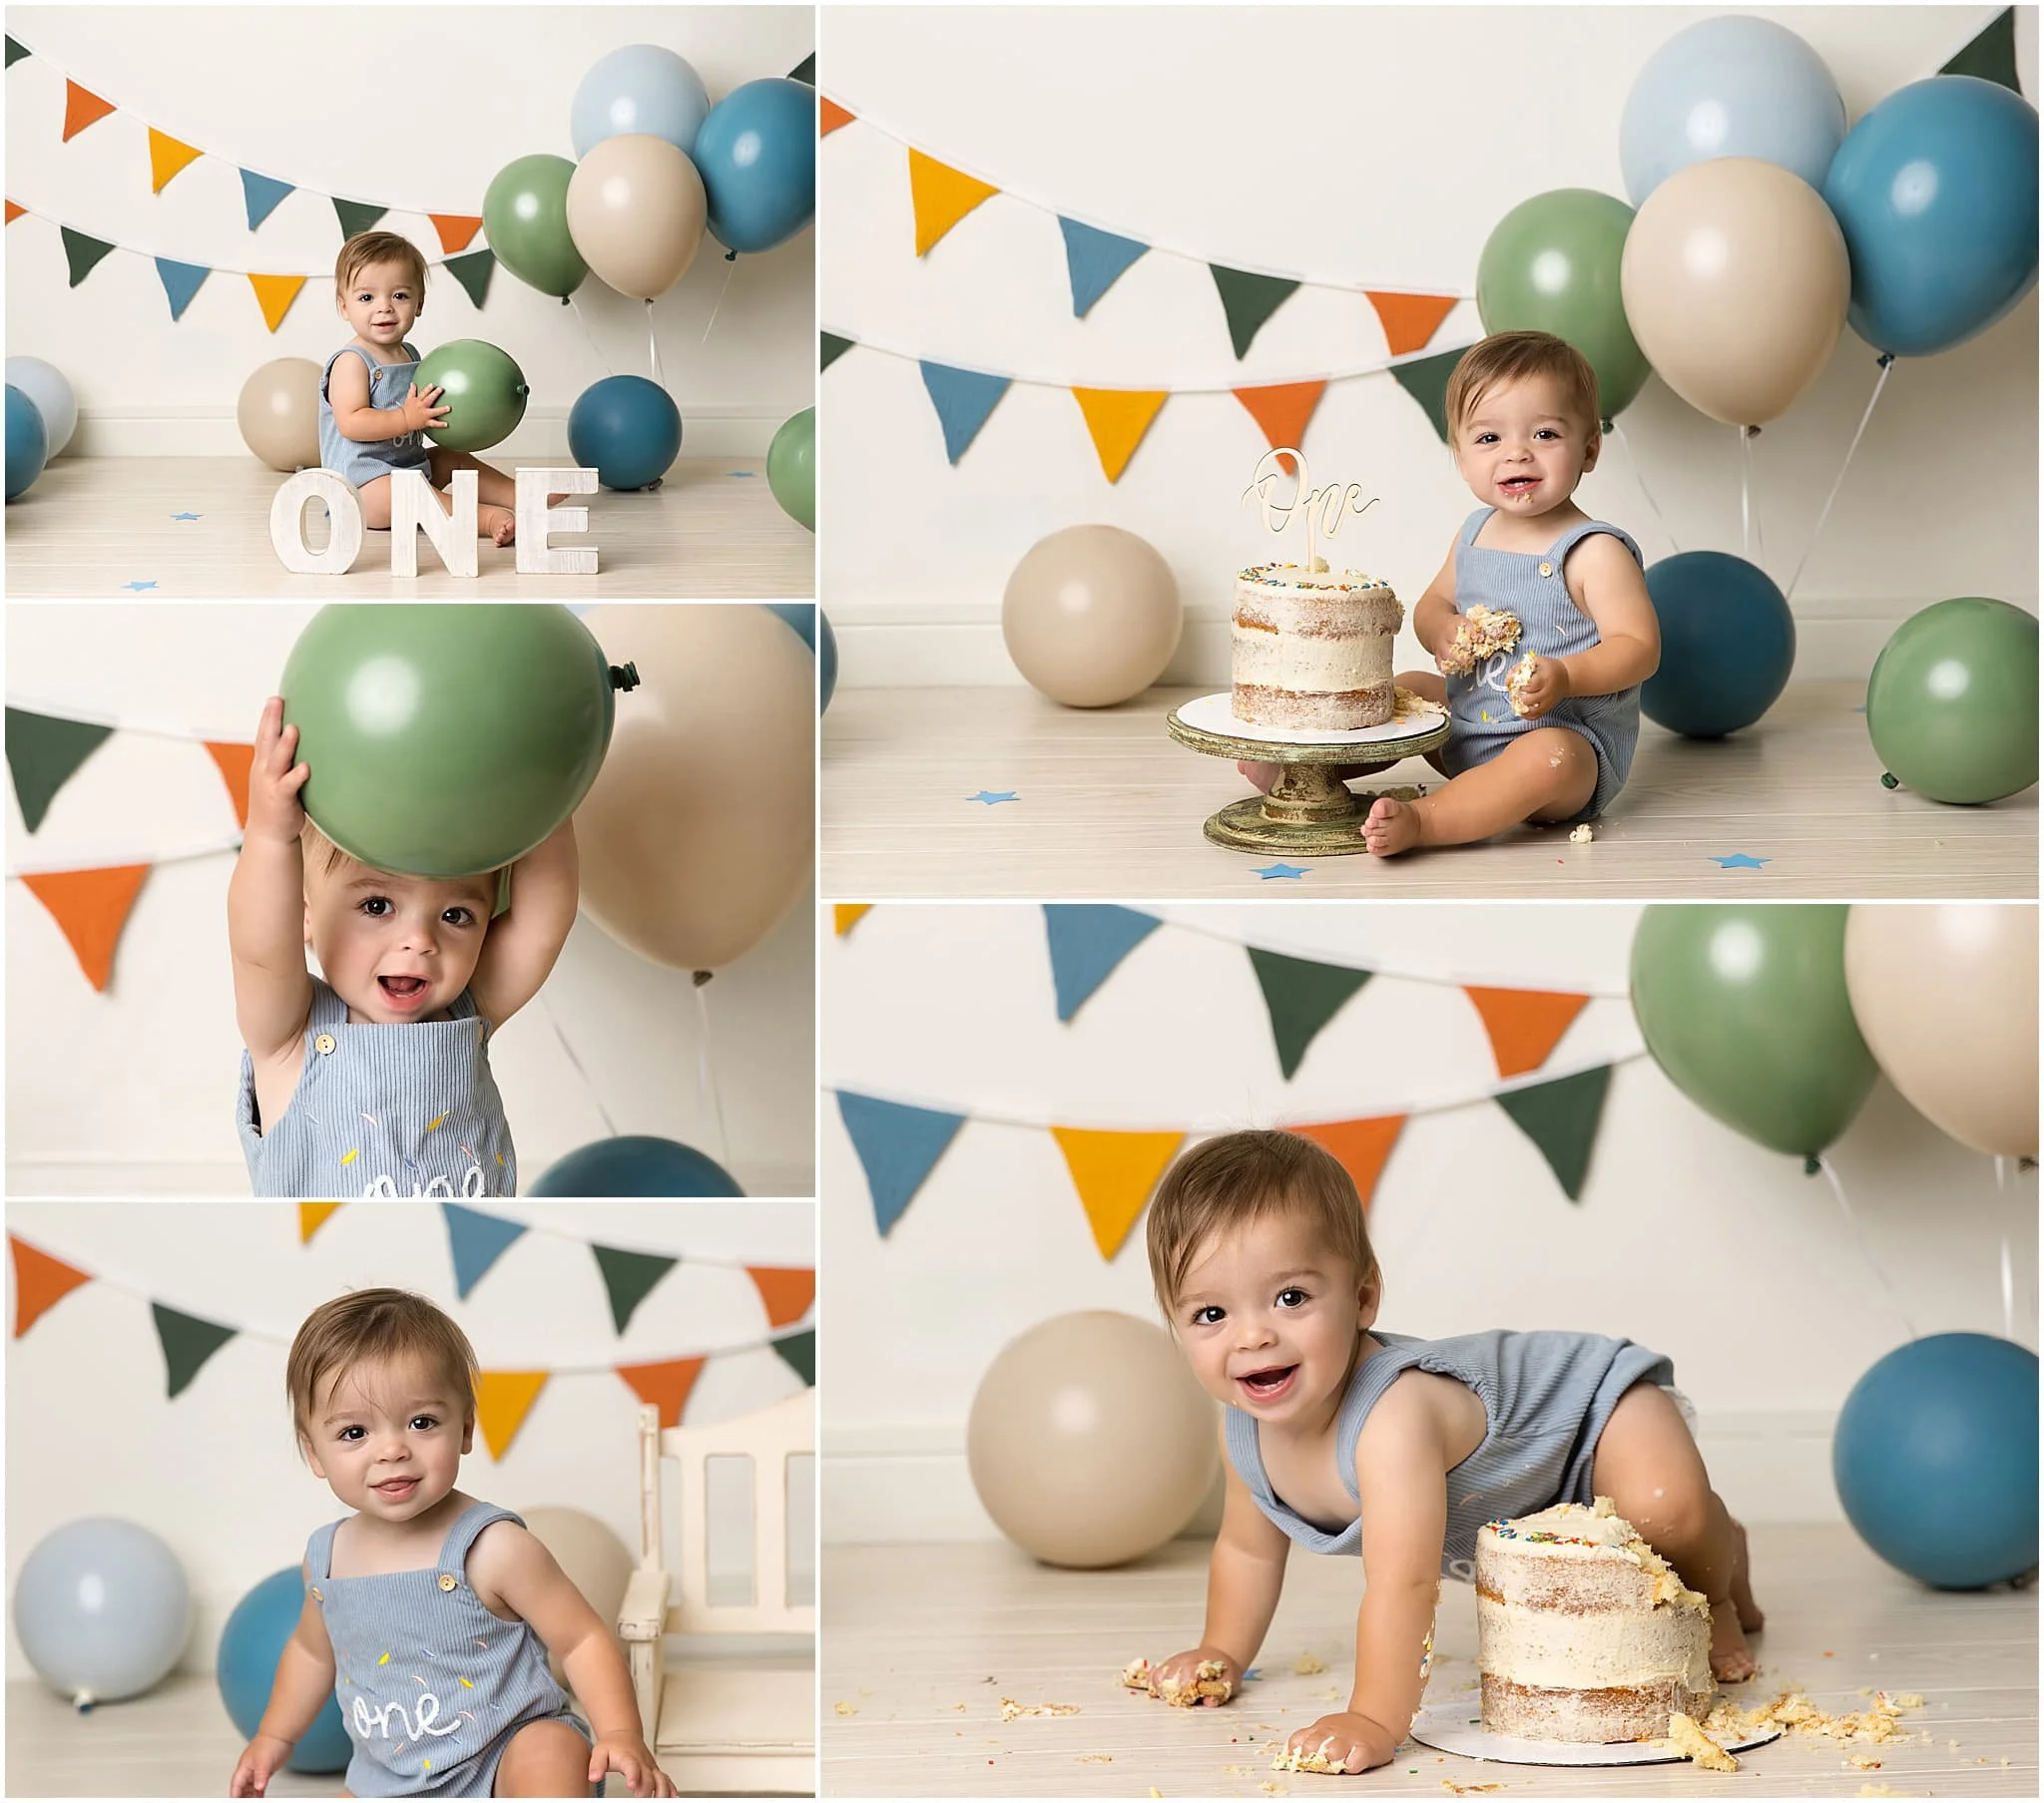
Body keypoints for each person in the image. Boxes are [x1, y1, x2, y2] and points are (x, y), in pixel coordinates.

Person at [1135, 1130, 1763, 1775]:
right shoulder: (1243, 1430)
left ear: (1362, 1297)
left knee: (1664, 1512)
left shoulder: (1391, 1417)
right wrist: (1221, 1651)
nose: (1253, 1334)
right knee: (1630, 1548)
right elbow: (1245, 1550)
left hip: (1591, 1415)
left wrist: (1376, 1716)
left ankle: (1714, 1590)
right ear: (1174, 1324)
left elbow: (1404, 1581)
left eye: (1291, 1297)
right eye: (1210, 1312)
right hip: (1532, 1485)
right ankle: (1720, 1542)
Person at [229, 1288, 676, 1797]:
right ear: (314, 1453)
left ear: (464, 1427)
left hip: (507, 1756)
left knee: (549, 1752)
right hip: (391, 1778)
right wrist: (274, 1735)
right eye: (354, 1432)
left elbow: (582, 1639)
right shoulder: (326, 1559)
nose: (393, 1450)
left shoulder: (492, 1548)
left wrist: (620, 1733)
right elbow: (311, 1653)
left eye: (422, 1423)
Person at [229, 695, 577, 1196]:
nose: (419, 941)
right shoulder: (288, 1035)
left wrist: (546, 791)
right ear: (303, 912)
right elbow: (258, 946)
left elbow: (542, 922)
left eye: (456, 915)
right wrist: (268, 835)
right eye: (377, 907)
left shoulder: (467, 1013)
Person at [320, 231, 537, 547]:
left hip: (409, 466)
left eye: (399, 296)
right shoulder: (352, 362)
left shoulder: (411, 355)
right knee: (411, 493)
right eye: (367, 298)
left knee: (452, 458)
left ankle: (521, 496)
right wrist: (407, 419)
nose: (384, 308)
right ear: (344, 307)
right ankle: (486, 518)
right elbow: (351, 423)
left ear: (419, 303)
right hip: (363, 489)